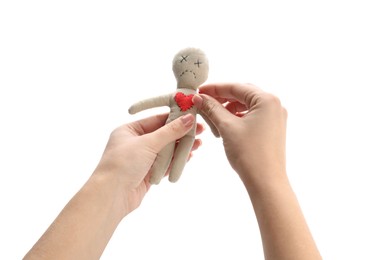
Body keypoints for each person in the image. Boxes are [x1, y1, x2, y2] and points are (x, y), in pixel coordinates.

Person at [23, 83, 322, 260]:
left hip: (186, 130)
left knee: (181, 146)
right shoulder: (181, 95)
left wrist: (111, 183)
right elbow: (151, 104)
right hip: (182, 129)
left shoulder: (189, 96)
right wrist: (270, 177)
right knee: (174, 145)